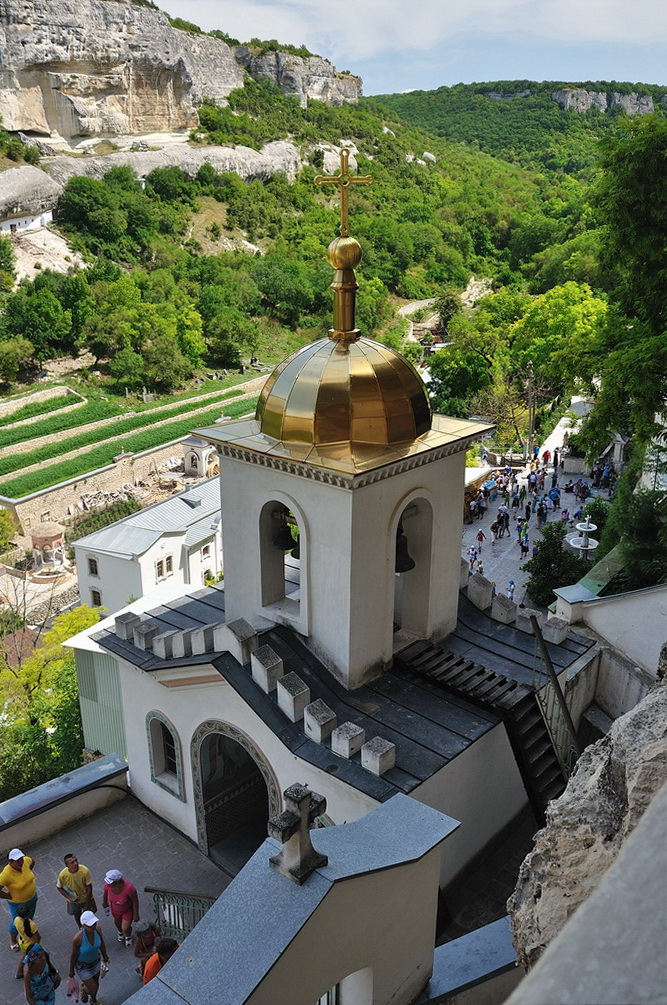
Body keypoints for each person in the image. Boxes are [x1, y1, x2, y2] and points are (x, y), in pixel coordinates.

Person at [0, 848, 38, 951]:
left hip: (32, 898)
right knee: (16, 923)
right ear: (11, 862)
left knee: (29, 918)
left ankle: (27, 933)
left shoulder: (25, 861)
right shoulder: (6, 874)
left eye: (21, 859)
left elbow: (32, 861)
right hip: (18, 903)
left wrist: (28, 872)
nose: (21, 862)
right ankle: (13, 940)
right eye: (17, 861)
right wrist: (7, 896)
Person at [69, 911, 109, 1005]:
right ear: (83, 925)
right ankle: (85, 989)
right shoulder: (77, 939)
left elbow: (101, 943)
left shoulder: (98, 930)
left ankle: (94, 1000)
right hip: (82, 966)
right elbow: (73, 955)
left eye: (94, 924)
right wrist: (71, 970)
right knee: (93, 987)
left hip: (95, 961)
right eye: (90, 925)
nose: (93, 926)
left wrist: (105, 955)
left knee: (96, 983)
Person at [102, 869, 139, 946]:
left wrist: (136, 914)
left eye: (110, 882)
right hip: (115, 909)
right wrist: (105, 902)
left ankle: (128, 935)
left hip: (127, 910)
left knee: (125, 927)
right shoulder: (107, 886)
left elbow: (135, 900)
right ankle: (120, 931)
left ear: (117, 883)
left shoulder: (129, 888)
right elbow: (105, 894)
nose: (108, 884)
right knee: (117, 923)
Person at [57, 854, 94, 928]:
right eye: (72, 862)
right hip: (73, 901)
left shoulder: (85, 871)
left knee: (89, 915)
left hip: (85, 898)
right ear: (67, 865)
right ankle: (81, 928)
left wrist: (87, 903)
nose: (76, 863)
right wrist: (69, 897)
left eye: (76, 861)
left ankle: (91, 928)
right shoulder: (62, 875)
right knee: (77, 914)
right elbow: (59, 887)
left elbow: (89, 888)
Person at [14, 904, 41, 980]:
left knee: (24, 957)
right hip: (31, 945)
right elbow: (37, 937)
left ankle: (19, 972)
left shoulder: (16, 920)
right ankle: (38, 972)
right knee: (39, 958)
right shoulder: (32, 925)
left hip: (22, 942)